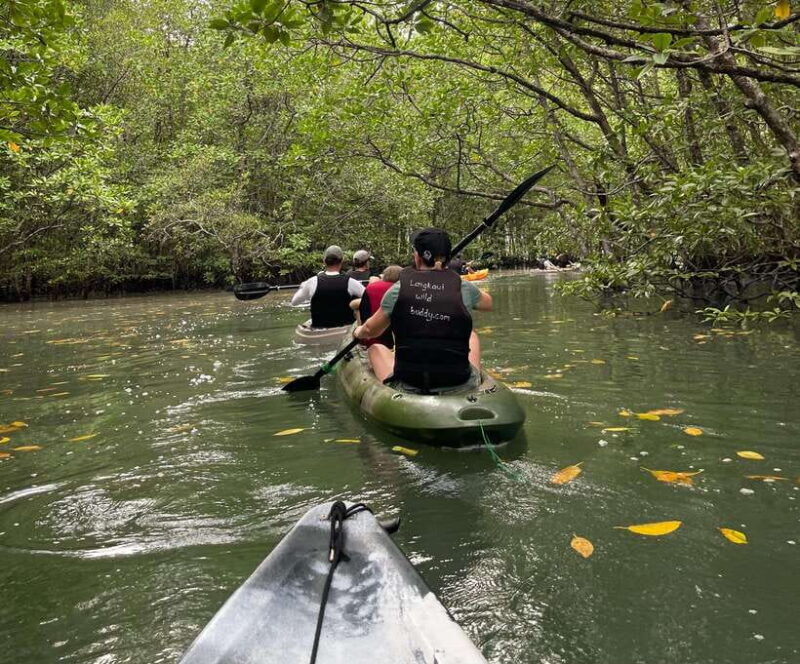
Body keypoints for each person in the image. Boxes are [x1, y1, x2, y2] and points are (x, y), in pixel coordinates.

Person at [353, 228, 492, 392]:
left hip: (410, 382)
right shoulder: (463, 287)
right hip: (457, 379)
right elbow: (488, 304)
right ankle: (472, 384)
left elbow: (371, 331)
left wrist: (357, 332)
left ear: (417, 257)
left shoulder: (398, 289)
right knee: (472, 335)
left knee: (376, 348)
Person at [291, 246, 364, 328]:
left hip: (319, 330)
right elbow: (369, 298)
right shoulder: (351, 283)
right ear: (342, 261)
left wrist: (303, 288)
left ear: (324, 261)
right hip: (344, 330)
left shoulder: (311, 282)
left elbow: (294, 302)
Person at [349, 265, 402, 348]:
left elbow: (355, 305)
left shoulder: (371, 287)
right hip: (391, 342)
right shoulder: (401, 290)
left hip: (368, 339)